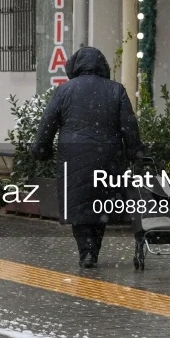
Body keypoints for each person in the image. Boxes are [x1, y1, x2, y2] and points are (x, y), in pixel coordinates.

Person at [32, 46, 143, 269]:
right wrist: (136, 154)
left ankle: (86, 251)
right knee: (100, 206)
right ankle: (94, 249)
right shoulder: (116, 90)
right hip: (107, 158)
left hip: (73, 159)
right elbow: (129, 127)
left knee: (79, 207)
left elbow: (47, 125)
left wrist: (40, 150)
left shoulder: (65, 91)